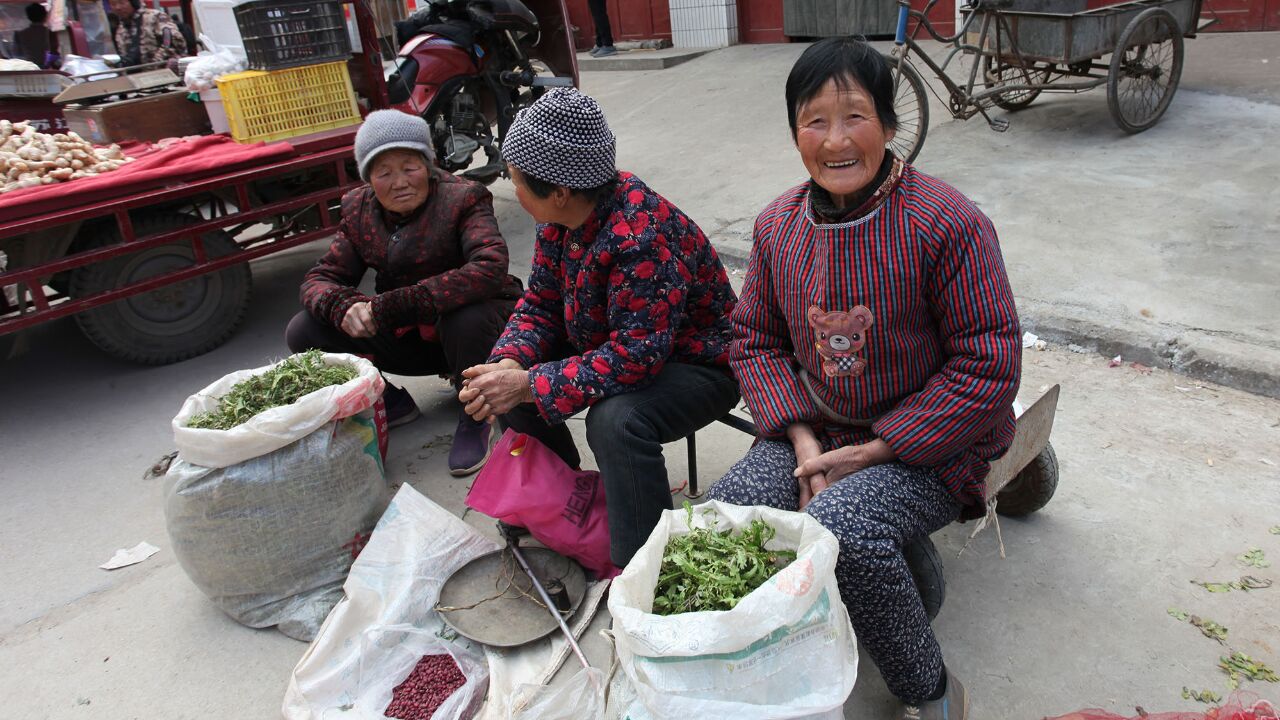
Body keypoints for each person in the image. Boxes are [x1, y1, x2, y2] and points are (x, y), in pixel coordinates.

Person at [706, 38, 1021, 720]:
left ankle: (930, 693)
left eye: (855, 116)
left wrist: (877, 451)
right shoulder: (776, 226)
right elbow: (754, 339)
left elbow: (987, 362)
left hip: (933, 439)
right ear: (795, 133)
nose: (836, 140)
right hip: (816, 425)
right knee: (730, 516)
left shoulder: (947, 222)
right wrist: (805, 444)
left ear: (889, 122)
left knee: (841, 526)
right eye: (814, 121)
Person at [458, 88, 740, 569]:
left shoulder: (641, 236)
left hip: (699, 363)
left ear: (561, 191)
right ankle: (561, 496)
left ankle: (643, 566)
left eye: (516, 179)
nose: (512, 187)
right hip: (621, 341)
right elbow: (541, 303)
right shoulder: (562, 219)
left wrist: (531, 383)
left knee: (614, 420)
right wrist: (510, 362)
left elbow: (635, 358)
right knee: (502, 378)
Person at [288, 109, 532, 476]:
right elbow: (321, 277)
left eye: (410, 167)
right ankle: (390, 401)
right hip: (413, 337)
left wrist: (390, 307)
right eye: (383, 172)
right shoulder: (358, 209)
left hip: (479, 336)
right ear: (369, 178)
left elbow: (488, 267)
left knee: (465, 316)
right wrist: (343, 306)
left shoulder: (464, 198)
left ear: (429, 164)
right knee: (305, 329)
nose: (399, 181)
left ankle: (477, 414)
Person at [108, 0, 186, 68]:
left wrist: (157, 61)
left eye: (122, 2)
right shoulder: (120, 29)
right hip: (135, 75)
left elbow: (171, 41)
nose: (118, 7)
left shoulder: (154, 16)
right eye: (113, 4)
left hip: (161, 71)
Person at [14, 3, 51, 68]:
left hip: (29, 69)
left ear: (28, 17)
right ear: (45, 15)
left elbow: (16, 55)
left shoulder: (19, 34)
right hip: (50, 69)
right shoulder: (51, 33)